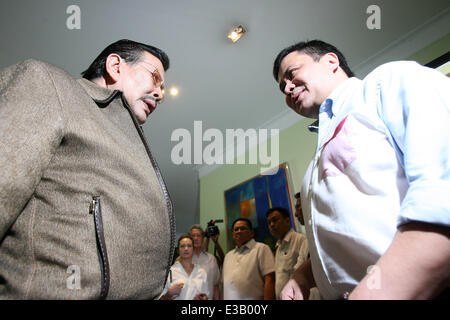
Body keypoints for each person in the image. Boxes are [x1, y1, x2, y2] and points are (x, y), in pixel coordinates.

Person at [273, 39, 450, 299]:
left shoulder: (388, 83)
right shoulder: (314, 166)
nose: (287, 88)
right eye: (282, 88)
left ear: (331, 61)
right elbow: (353, 236)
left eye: (291, 74)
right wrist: (303, 275)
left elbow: (441, 195)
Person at [0, 39, 176, 299]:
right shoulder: (48, 83)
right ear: (115, 66)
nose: (160, 94)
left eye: (162, 87)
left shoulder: (129, 140)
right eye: (154, 77)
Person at [222, 218, 275, 300]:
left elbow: (270, 279)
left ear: (251, 233)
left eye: (243, 228)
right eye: (236, 229)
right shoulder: (228, 256)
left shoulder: (261, 249)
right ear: (233, 234)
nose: (239, 231)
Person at [266, 207, 308, 299]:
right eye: (269, 223)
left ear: (287, 221)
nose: (272, 224)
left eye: (275, 220)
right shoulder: (278, 247)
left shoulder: (301, 240)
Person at [159, 235, 209, 300]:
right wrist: (168, 294)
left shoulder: (201, 272)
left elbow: (206, 296)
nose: (186, 249)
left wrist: (202, 298)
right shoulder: (170, 272)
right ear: (178, 250)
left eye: (189, 246)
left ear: (193, 249)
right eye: (182, 246)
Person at [189, 225, 221, 300]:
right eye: (193, 236)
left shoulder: (211, 259)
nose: (195, 238)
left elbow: (215, 286)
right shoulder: (182, 259)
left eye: (198, 236)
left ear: (203, 238)